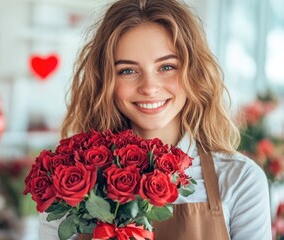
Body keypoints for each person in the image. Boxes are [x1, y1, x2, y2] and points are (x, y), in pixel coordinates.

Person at [39, 0, 272, 239]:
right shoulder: (69, 182)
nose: (149, 87)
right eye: (128, 70)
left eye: (167, 66)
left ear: (193, 72)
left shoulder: (240, 180)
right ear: (106, 81)